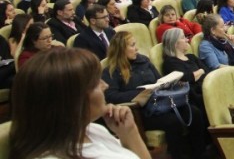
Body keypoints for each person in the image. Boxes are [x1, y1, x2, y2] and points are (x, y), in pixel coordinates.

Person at [10, 48, 150, 159]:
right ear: (71, 99)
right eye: (96, 83)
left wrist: (129, 133)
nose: (105, 85)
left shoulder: (94, 130)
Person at [102, 31, 207, 159]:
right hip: (141, 112)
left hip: (160, 103)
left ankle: (199, 154)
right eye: (132, 45)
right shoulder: (111, 71)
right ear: (121, 49)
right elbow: (112, 96)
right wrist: (141, 93)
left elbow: (158, 80)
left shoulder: (144, 61)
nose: (136, 48)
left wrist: (168, 82)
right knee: (173, 122)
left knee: (194, 112)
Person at [162, 28, 210, 110]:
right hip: (193, 97)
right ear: (175, 43)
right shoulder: (170, 62)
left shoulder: (191, 57)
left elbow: (207, 71)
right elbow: (185, 78)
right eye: (183, 37)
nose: (187, 40)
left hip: (205, 88)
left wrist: (196, 75)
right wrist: (200, 71)